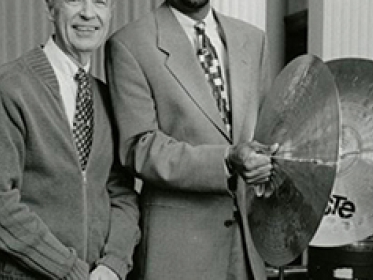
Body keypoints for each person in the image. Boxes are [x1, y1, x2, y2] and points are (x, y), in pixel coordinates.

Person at [105, 0, 279, 279]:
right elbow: (139, 146)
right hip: (178, 252)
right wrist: (226, 159)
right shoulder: (130, 44)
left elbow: (267, 133)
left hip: (247, 250)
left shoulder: (253, 39)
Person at [0, 0, 140, 279]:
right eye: (74, 0)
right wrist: (71, 271)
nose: (88, 13)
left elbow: (121, 193)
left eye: (100, 2)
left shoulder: (106, 97)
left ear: (110, 12)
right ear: (50, 9)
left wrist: (113, 264)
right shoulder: (8, 85)